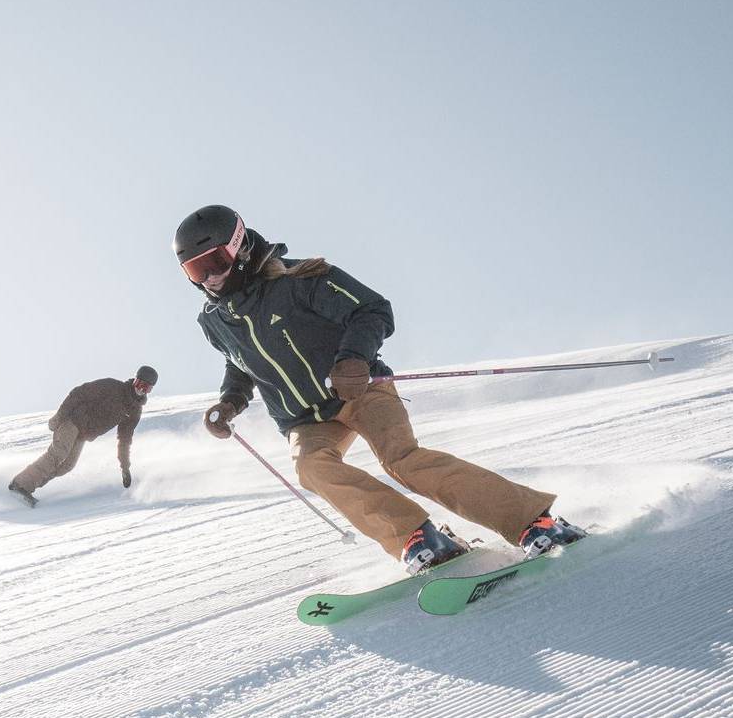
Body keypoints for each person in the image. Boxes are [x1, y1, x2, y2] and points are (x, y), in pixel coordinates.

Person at [173, 205, 585, 571]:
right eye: (196, 270)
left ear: (240, 246)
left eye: (216, 261)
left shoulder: (301, 278)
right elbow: (239, 362)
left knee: (403, 460)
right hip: (304, 417)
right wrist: (230, 401)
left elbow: (372, 310)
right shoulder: (214, 321)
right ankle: (418, 537)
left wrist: (352, 357)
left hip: (358, 389)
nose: (209, 278)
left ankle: (533, 520)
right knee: (312, 468)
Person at [9, 365, 158, 507]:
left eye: (146, 388)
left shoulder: (134, 411)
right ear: (134, 380)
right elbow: (79, 393)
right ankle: (20, 485)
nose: (141, 389)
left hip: (83, 435)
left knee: (66, 466)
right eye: (139, 383)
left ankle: (28, 488)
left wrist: (125, 467)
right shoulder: (113, 387)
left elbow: (124, 440)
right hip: (73, 421)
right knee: (58, 454)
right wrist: (58, 417)